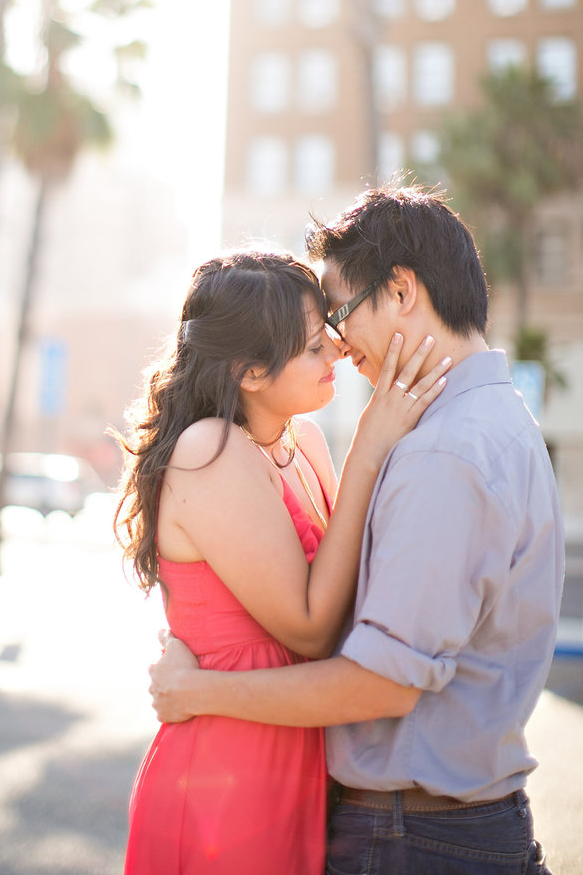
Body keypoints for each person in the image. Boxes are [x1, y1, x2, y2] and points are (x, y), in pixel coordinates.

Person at [149, 185, 565, 875]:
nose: (339, 346)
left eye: (338, 315)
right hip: (395, 819)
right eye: (318, 337)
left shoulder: (444, 452)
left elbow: (381, 680)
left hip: (413, 838)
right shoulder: (492, 420)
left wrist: (199, 690)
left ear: (401, 290)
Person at [113, 248, 450, 874]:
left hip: (296, 754)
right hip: (225, 774)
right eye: (312, 345)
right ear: (250, 372)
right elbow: (310, 625)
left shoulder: (307, 444)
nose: (337, 352)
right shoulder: (207, 449)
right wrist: (372, 444)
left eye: (328, 332)